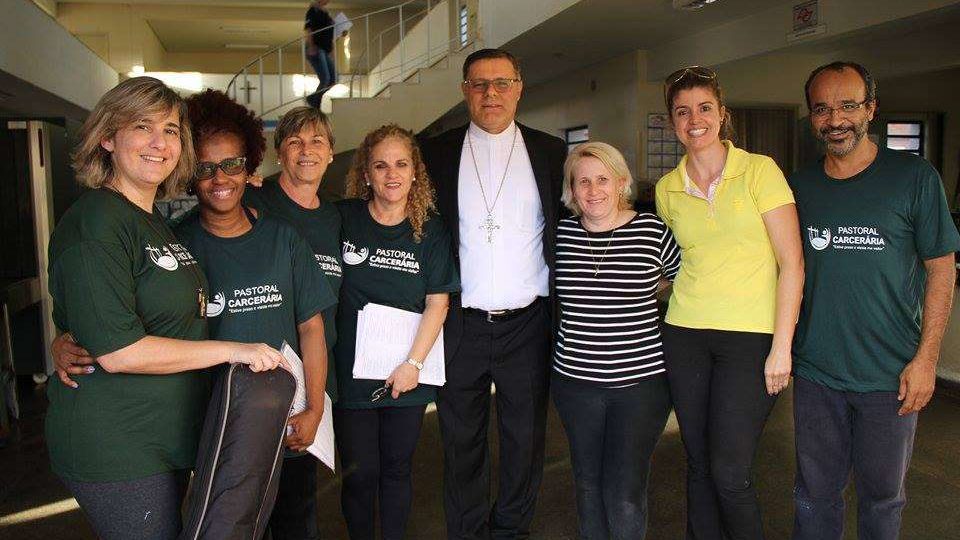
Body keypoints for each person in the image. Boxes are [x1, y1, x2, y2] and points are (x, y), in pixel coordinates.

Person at [45, 76, 284, 540]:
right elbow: (120, 352)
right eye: (143, 126)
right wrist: (234, 350)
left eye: (171, 130)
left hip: (163, 439)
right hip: (120, 447)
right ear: (108, 137)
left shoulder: (150, 221)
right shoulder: (96, 222)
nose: (160, 142)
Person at [789, 62, 960, 540]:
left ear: (871, 109)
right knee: (813, 497)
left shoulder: (914, 177)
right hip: (817, 373)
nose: (835, 119)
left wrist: (927, 360)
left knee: (882, 500)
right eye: (823, 109)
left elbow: (941, 269)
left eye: (848, 105)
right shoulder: (799, 188)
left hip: (890, 378)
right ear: (812, 117)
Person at [174, 89, 337, 538]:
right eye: (205, 168)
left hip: (286, 420)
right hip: (215, 427)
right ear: (191, 174)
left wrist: (315, 407)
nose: (219, 178)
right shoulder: (177, 247)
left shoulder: (283, 240)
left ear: (248, 168)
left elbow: (312, 329)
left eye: (231, 164)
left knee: (294, 528)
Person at [420, 48, 567, 539]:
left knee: (524, 439)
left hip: (528, 321)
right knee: (461, 440)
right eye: (479, 84)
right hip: (460, 320)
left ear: (520, 87)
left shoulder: (551, 153)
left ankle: (511, 531)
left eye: (502, 83)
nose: (491, 94)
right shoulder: (435, 153)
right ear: (464, 91)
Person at [654, 66, 804, 539]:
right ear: (672, 121)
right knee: (697, 465)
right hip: (685, 336)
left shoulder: (760, 171)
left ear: (721, 114)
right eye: (682, 112)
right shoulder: (666, 190)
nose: (694, 120)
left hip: (751, 341)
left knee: (729, 470)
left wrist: (782, 348)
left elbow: (793, 265)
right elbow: (673, 265)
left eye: (703, 108)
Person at [334, 124, 460, 540]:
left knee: (396, 469)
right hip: (353, 372)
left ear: (414, 172)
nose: (392, 174)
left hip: (409, 369)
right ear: (366, 173)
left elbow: (437, 303)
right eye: (381, 165)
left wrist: (413, 364)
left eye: (401, 164)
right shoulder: (343, 218)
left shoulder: (431, 229)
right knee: (360, 473)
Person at [553, 142, 679, 539]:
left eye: (602, 179)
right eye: (583, 181)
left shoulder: (651, 230)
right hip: (576, 386)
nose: (593, 190)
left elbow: (685, 279)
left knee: (624, 492)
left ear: (621, 182)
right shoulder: (562, 235)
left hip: (640, 387)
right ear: (571, 190)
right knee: (588, 486)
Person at [243, 105, 345, 539]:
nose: (307, 151)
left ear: (331, 154)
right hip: (254, 377)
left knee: (298, 509)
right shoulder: (253, 201)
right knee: (246, 510)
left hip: (313, 376)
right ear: (278, 152)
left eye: (317, 141)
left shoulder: (338, 215)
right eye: (295, 142)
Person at [304, 0, 336, 106]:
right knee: (325, 78)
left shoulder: (327, 14)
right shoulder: (313, 10)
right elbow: (309, 29)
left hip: (325, 49)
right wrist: (311, 46)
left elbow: (330, 34)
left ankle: (312, 99)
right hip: (317, 48)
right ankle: (315, 104)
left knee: (333, 79)